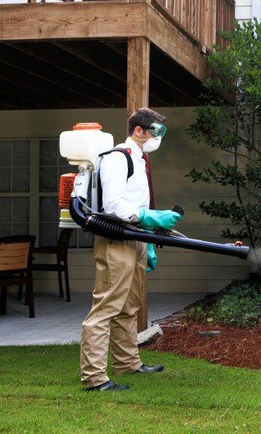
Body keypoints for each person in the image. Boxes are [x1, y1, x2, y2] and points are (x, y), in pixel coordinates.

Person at [80, 108, 182, 392]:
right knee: (106, 308)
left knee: (129, 306)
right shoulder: (118, 158)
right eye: (157, 132)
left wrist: (147, 243)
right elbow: (113, 205)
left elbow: (135, 202)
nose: (158, 138)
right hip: (116, 240)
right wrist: (149, 217)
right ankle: (94, 378)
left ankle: (128, 363)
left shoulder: (140, 159)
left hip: (136, 239)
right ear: (139, 131)